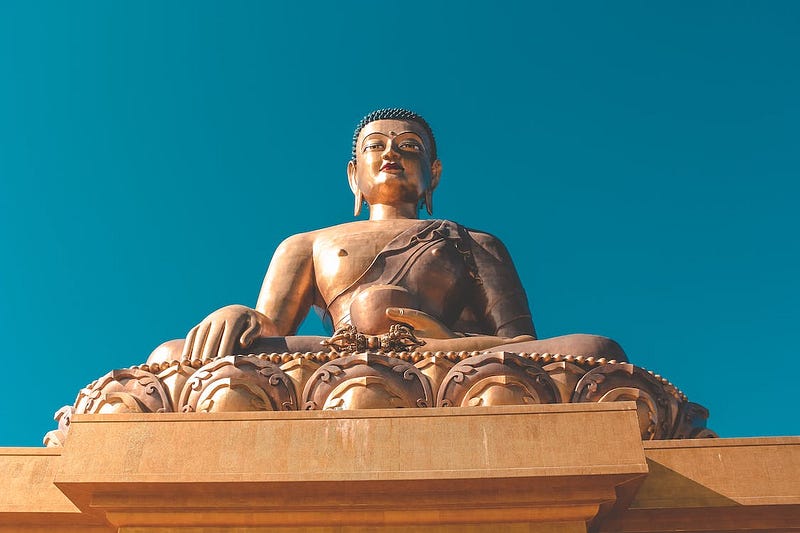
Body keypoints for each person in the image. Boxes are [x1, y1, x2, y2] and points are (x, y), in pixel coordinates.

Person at [148, 108, 625, 364]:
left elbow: (521, 345)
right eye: (375, 146)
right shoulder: (305, 244)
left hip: (449, 359)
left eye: (409, 147)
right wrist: (241, 315)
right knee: (171, 357)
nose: (391, 153)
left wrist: (441, 344)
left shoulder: (474, 242)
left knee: (594, 352)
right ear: (354, 175)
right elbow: (271, 331)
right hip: (335, 356)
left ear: (433, 174)